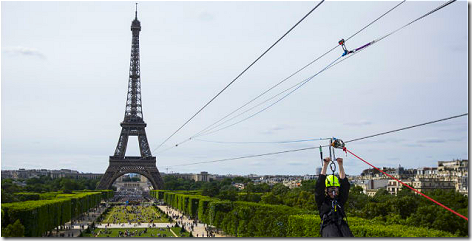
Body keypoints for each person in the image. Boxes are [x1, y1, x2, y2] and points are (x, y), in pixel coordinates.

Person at [315, 157, 354, 237]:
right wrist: (325, 165)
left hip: (341, 224)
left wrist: (340, 165)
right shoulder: (322, 201)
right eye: (331, 190)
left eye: (335, 190)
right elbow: (319, 186)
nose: (333, 193)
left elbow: (345, 186)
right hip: (328, 224)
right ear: (326, 190)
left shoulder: (340, 200)